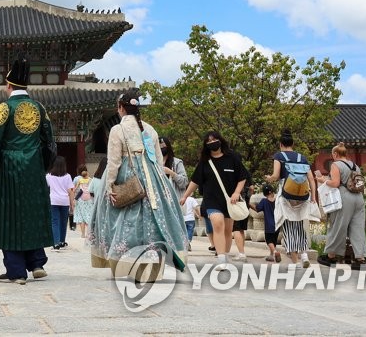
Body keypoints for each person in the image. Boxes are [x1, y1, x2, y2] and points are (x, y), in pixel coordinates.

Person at [0, 57, 55, 284]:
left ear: (8, 86)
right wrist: (41, 166)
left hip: (9, 169)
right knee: (31, 214)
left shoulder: (3, 109)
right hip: (33, 167)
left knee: (10, 217)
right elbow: (50, 143)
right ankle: (37, 262)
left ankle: (16, 271)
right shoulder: (39, 108)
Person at [89, 91, 187, 280]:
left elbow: (114, 162)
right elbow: (158, 160)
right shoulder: (150, 129)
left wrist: (109, 186)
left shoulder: (118, 130)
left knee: (122, 221)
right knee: (153, 220)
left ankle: (124, 263)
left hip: (128, 178)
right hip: (154, 180)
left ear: (120, 107)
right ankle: (152, 268)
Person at [180, 131, 247, 272]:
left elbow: (242, 177)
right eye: (209, 141)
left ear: (221, 140)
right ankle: (221, 258)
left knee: (228, 230)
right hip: (211, 200)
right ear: (206, 145)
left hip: (230, 201)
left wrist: (236, 192)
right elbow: (195, 181)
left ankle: (225, 255)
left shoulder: (232, 158)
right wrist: (185, 196)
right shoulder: (204, 162)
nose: (212, 143)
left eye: (215, 140)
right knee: (217, 223)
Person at [266, 131, 317, 269]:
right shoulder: (302, 157)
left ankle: (295, 262)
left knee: (288, 227)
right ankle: (304, 255)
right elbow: (311, 179)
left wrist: (269, 178)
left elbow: (276, 176)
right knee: (299, 225)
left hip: (286, 193)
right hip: (302, 195)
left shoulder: (279, 156)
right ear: (293, 144)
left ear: (281, 144)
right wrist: (313, 197)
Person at [317, 143, 366, 269]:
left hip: (344, 198)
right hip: (359, 198)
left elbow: (335, 183)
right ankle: (360, 259)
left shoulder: (336, 165)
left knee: (338, 225)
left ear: (335, 154)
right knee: (358, 228)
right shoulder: (355, 166)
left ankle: (331, 256)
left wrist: (322, 180)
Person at [46, 156, 74, 250]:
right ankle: (62, 241)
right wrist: (72, 204)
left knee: (55, 221)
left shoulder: (49, 176)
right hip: (64, 201)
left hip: (53, 200)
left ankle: (56, 242)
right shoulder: (68, 176)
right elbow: (70, 191)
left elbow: (46, 187)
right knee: (63, 222)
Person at [251, 184, 280, 263]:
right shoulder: (278, 201)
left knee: (268, 240)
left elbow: (257, 209)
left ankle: (274, 252)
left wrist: (249, 204)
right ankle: (271, 256)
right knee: (274, 241)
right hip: (277, 225)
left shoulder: (264, 201)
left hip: (269, 226)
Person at [72, 165, 94, 238]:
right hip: (89, 198)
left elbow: (73, 189)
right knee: (89, 215)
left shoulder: (77, 179)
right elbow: (92, 189)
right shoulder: (90, 179)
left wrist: (73, 198)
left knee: (81, 216)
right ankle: (89, 233)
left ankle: (83, 234)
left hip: (80, 199)